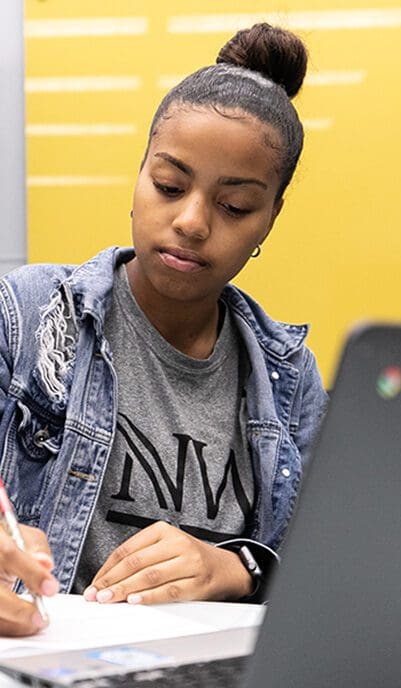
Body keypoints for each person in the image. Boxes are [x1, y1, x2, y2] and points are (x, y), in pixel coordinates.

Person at [0, 23, 328, 637]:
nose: (193, 221)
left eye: (235, 206)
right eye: (169, 185)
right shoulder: (27, 314)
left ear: (271, 218)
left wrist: (239, 568)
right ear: (139, 174)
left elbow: (335, 570)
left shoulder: (290, 380)